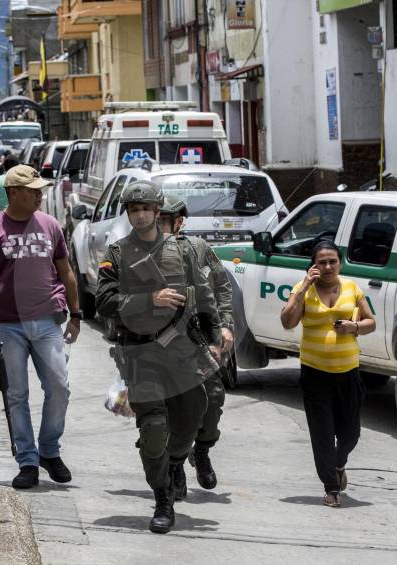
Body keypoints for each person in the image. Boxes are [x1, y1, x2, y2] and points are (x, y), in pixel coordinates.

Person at [95, 181, 222, 534]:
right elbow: (103, 302)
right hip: (140, 352)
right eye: (133, 210)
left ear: (156, 211)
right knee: (152, 428)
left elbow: (205, 296)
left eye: (145, 209)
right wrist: (150, 299)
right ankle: (163, 498)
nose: (139, 215)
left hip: (183, 351)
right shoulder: (117, 253)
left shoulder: (181, 250)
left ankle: (178, 461)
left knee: (191, 417)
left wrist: (214, 338)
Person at [0, 164, 80, 490]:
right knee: (16, 395)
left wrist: (76, 314)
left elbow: (66, 273)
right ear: (12, 193)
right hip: (8, 325)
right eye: (33, 190)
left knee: (60, 388)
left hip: (49, 319)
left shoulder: (50, 225)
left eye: (40, 190)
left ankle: (49, 450)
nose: (40, 195)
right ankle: (27, 460)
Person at [280, 240, 376, 508]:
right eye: (321, 262)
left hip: (348, 373)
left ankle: (339, 463)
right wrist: (303, 289)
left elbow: (371, 322)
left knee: (351, 433)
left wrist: (354, 326)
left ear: (340, 263)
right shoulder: (302, 290)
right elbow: (287, 322)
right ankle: (331, 487)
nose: (328, 266)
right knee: (322, 434)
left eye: (332, 261)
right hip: (314, 374)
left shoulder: (352, 288)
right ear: (313, 266)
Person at [158, 198, 233, 493]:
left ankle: (200, 451)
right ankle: (173, 465)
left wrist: (225, 325)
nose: (160, 224)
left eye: (167, 219)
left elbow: (222, 286)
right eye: (157, 218)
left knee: (212, 400)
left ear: (180, 221)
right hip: (158, 344)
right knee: (168, 412)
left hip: (198, 340)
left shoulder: (198, 249)